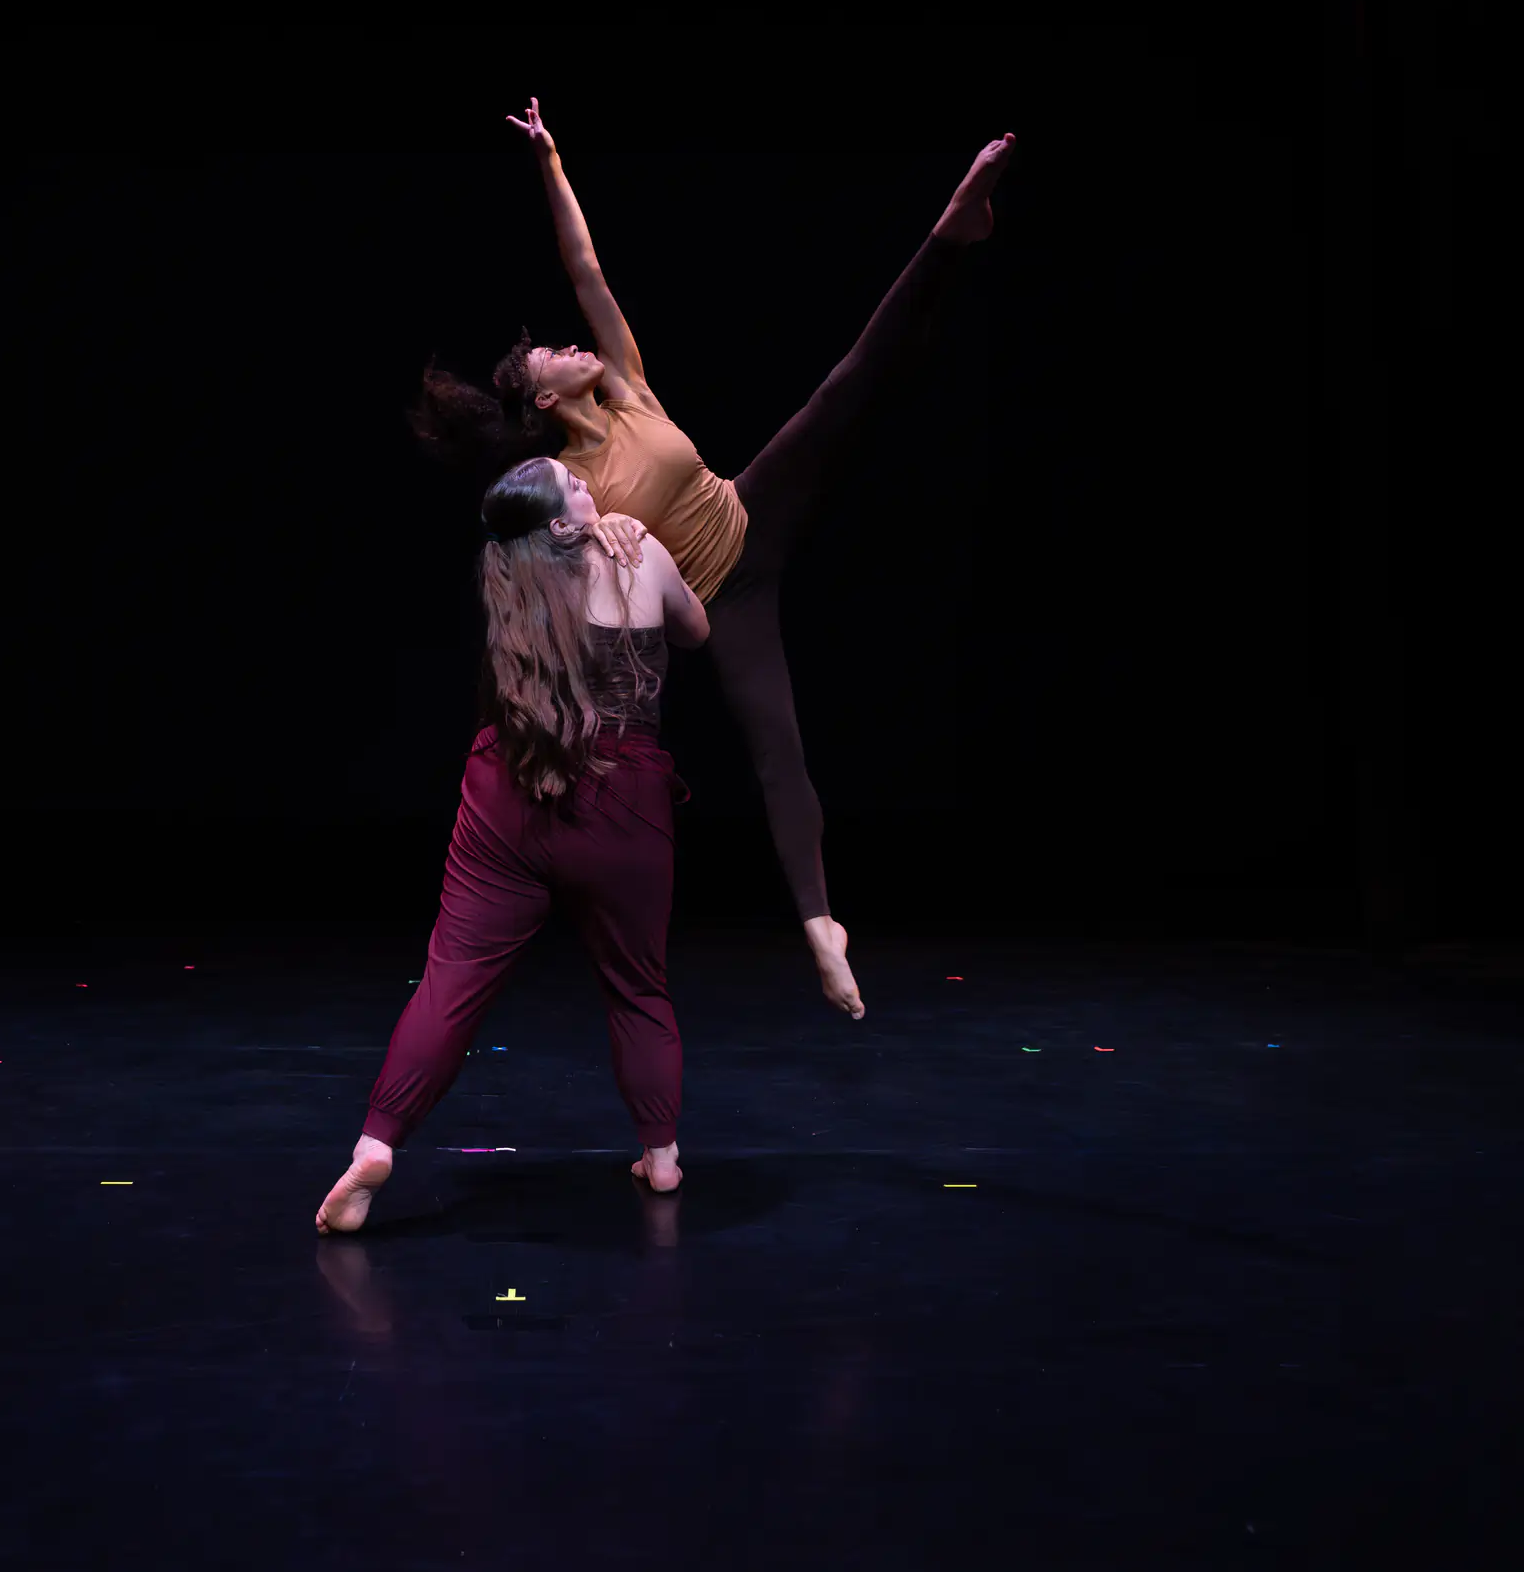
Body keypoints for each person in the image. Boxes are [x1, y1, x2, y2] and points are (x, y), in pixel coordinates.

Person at [412, 101, 1014, 1019]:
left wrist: (550, 160)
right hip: (723, 601)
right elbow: (552, 563)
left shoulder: (628, 386)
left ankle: (951, 233)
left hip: (748, 507)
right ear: (544, 398)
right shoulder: (573, 486)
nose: (574, 345)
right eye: (555, 355)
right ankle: (821, 925)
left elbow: (585, 265)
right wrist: (605, 540)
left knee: (851, 381)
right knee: (778, 745)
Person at [315, 456, 711, 1234]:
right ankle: (662, 1156)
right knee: (639, 986)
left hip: (511, 787)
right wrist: (644, 539)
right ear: (561, 522)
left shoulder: (510, 574)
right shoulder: (639, 556)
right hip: (621, 801)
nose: (593, 486)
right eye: (578, 485)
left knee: (451, 980)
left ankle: (375, 1145)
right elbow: (696, 629)